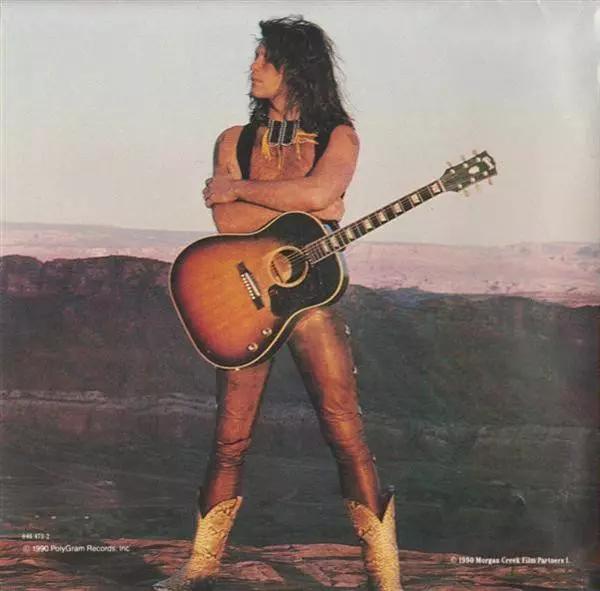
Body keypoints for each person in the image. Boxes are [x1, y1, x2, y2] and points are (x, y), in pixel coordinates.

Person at [154, 16, 403, 591]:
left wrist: (245, 188)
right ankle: (200, 569)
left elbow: (317, 193)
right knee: (228, 440)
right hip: (243, 304)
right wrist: (308, 208)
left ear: (297, 67)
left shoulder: (339, 135)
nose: (253, 66)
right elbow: (229, 221)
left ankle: (385, 577)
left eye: (266, 58)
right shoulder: (233, 139)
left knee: (346, 434)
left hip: (309, 305)